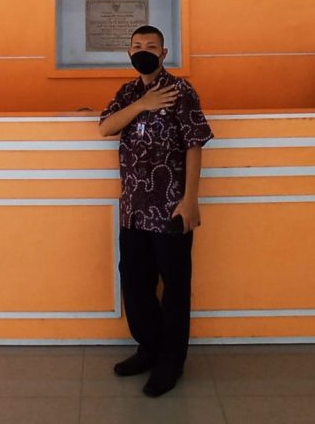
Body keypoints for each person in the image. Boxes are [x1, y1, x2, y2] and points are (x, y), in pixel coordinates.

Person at [98, 24, 213, 397]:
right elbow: (105, 127)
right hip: (133, 209)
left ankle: (170, 363)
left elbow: (195, 144)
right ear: (129, 53)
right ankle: (148, 349)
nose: (143, 50)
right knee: (135, 283)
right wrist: (142, 104)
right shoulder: (128, 92)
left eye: (150, 45)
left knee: (175, 289)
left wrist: (190, 199)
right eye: (137, 46)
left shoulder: (181, 91)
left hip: (170, 208)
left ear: (164, 53)